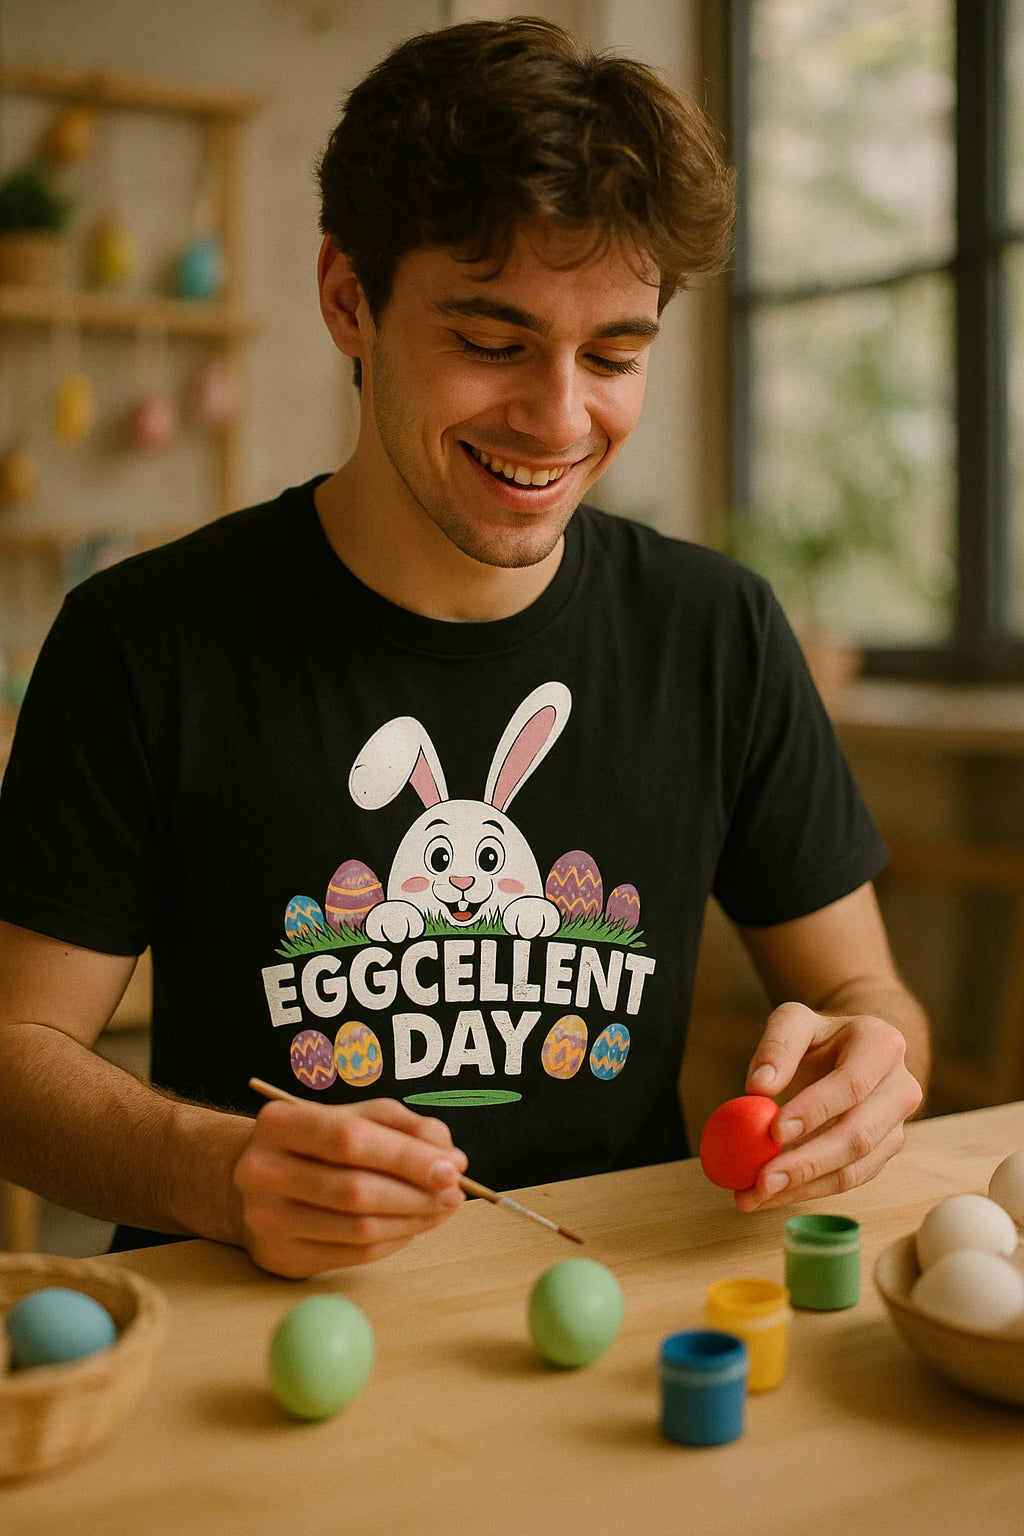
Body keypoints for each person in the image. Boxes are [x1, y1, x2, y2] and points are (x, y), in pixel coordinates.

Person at [0, 17, 927, 1280]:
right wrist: (206, 1171)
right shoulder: (143, 639)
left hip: (603, 1312)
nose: (558, 418)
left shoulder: (719, 633)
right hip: (253, 1319)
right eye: (491, 343)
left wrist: (869, 1066)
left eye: (614, 354)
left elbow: (870, 998)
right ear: (348, 299)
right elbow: (14, 1058)